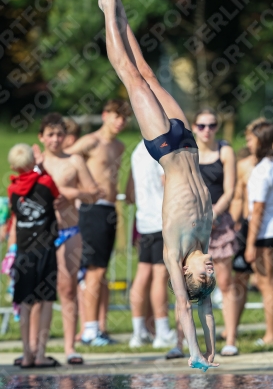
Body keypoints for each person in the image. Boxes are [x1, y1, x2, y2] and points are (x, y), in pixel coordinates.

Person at [97, 0, 218, 371]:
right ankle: (122, 15)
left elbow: (187, 306)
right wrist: (214, 347)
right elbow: (206, 309)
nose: (211, 267)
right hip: (187, 140)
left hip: (165, 147)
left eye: (205, 273)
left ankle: (107, 8)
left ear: (187, 271)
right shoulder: (204, 238)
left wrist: (196, 355)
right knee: (147, 70)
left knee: (130, 77)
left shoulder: (176, 251)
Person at [65, 98, 131, 346]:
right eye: (116, 116)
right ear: (105, 115)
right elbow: (64, 159)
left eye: (124, 118)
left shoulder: (120, 145)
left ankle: (99, 327)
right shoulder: (90, 142)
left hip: (109, 210)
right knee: (93, 271)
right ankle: (89, 329)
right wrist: (82, 190)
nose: (120, 122)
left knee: (101, 271)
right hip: (91, 210)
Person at [38, 112, 101, 364]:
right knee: (38, 293)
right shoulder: (37, 162)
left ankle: (69, 347)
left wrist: (71, 193)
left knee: (67, 289)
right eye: (50, 134)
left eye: (59, 134)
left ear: (66, 137)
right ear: (41, 137)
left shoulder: (74, 160)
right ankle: (36, 349)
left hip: (68, 231)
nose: (55, 139)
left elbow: (94, 193)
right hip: (40, 233)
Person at [7, 144, 60, 368]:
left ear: (13, 166)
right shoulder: (45, 182)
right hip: (45, 250)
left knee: (25, 303)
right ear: (32, 162)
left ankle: (26, 354)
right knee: (46, 301)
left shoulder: (12, 190)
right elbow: (56, 192)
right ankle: (40, 354)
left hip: (24, 252)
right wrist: (40, 168)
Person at [192, 108, 238, 356]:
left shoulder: (225, 151)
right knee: (190, 284)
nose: (206, 130)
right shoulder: (189, 152)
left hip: (219, 222)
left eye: (211, 125)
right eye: (201, 126)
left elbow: (230, 189)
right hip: (193, 223)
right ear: (194, 127)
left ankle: (230, 339)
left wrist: (214, 214)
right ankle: (186, 342)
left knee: (226, 283)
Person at [126, 140, 176, 349]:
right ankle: (162, 331)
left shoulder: (137, 149)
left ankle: (139, 332)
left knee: (142, 274)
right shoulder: (161, 147)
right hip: (160, 219)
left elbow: (129, 191)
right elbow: (167, 182)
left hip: (144, 220)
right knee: (159, 276)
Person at [244, 121, 273, 345]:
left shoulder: (263, 169)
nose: (248, 143)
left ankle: (271, 335)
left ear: (262, 141)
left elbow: (258, 208)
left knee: (266, 283)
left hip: (266, 232)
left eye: (251, 139)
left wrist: (250, 243)